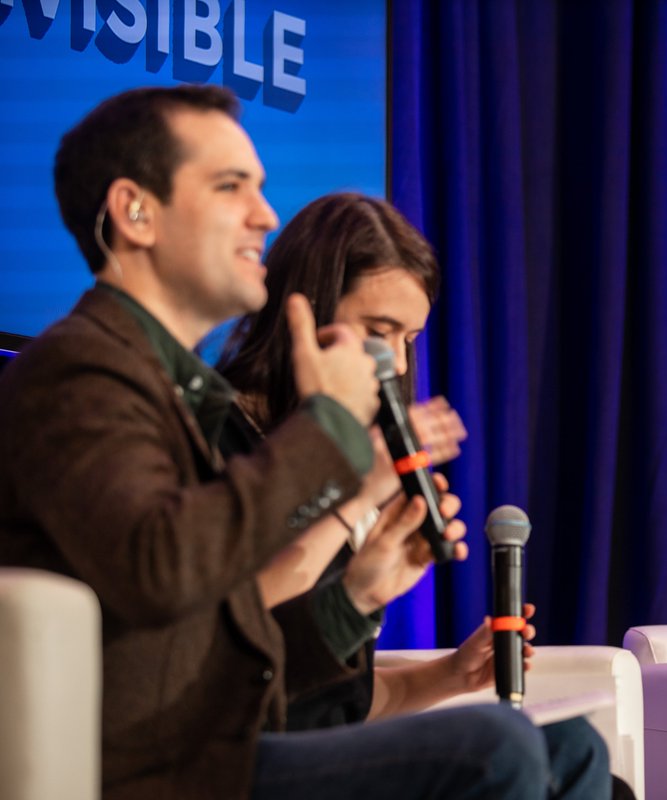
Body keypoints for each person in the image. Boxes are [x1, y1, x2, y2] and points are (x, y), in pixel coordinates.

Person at [0, 84, 603, 799]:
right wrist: (331, 437)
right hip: (163, 772)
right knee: (496, 750)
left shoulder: (168, 390)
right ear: (136, 212)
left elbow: (237, 646)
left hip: (214, 746)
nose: (265, 214)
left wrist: (359, 593)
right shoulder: (80, 369)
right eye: (231, 187)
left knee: (574, 751)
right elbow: (162, 567)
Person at [216, 191, 617, 796]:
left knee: (581, 754)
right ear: (307, 309)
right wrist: (352, 496)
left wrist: (451, 675)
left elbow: (336, 700)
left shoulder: (355, 457)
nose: (395, 363)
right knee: (499, 750)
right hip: (242, 754)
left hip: (323, 746)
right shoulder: (223, 437)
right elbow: (239, 664)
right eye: (378, 333)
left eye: (409, 339)